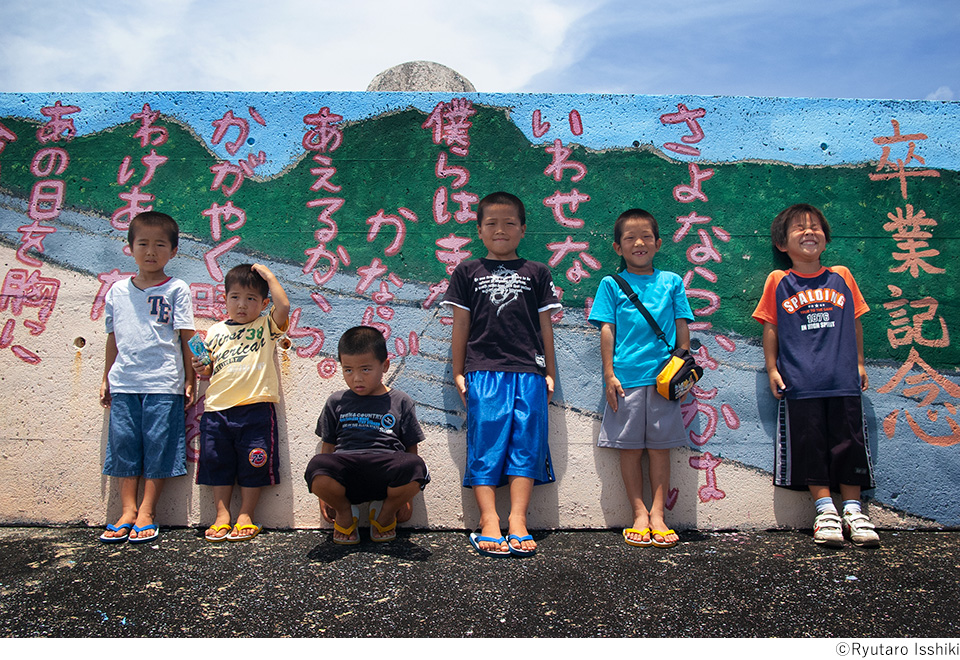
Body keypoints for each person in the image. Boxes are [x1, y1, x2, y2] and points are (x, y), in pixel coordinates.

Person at [752, 203, 878, 547]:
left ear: (826, 238)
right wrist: (773, 368)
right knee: (810, 445)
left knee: (850, 443)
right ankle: (825, 511)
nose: (809, 232)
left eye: (815, 227)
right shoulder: (779, 280)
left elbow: (855, 322)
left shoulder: (841, 276)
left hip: (843, 380)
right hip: (801, 382)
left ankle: (854, 510)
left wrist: (860, 363)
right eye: (799, 229)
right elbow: (771, 326)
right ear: (782, 244)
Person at [443, 191, 561, 557]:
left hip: (529, 371)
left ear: (523, 229)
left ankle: (519, 521)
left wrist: (550, 373)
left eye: (510, 223)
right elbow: (460, 324)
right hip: (483, 370)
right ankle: (490, 519)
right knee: (486, 445)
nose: (500, 229)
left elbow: (545, 327)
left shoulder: (537, 272)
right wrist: (459, 370)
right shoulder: (466, 271)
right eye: (491, 223)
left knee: (526, 445)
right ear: (479, 230)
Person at [588, 209, 694, 549]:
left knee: (660, 450)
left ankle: (659, 515)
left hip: (664, 381)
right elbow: (607, 329)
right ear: (618, 248)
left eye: (646, 236)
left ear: (658, 243)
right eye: (630, 237)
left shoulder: (672, 282)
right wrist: (609, 374)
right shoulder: (611, 283)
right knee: (630, 449)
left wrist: (682, 364)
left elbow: (682, 326)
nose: (639, 242)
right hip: (626, 379)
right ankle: (639, 513)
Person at [99, 211, 196, 544]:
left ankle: (147, 512)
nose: (151, 251)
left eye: (159, 245)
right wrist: (106, 377)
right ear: (130, 247)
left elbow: (187, 336)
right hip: (124, 383)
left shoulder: (177, 289)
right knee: (124, 446)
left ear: (173, 251)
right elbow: (112, 338)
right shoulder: (116, 292)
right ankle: (126, 511)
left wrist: (190, 378)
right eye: (143, 243)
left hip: (164, 384)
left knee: (159, 447)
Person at [305, 326, 430, 544]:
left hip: (386, 471)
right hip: (346, 470)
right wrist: (326, 497)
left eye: (365, 369)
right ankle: (345, 512)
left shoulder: (401, 401)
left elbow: (411, 448)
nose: (356, 379)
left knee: (416, 466)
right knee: (317, 466)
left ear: (385, 366)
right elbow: (328, 446)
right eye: (348, 370)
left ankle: (385, 513)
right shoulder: (336, 401)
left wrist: (407, 499)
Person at [192, 264, 290, 542]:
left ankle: (246, 514)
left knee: (254, 463)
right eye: (234, 297)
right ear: (224, 299)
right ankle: (222, 515)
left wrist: (270, 276)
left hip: (256, 409)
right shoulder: (214, 331)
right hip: (216, 411)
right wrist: (201, 367)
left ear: (263, 303)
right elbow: (208, 370)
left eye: (250, 299)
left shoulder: (265, 326)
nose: (242, 305)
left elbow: (284, 306)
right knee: (216, 462)